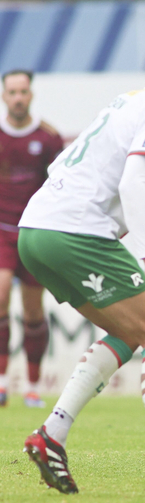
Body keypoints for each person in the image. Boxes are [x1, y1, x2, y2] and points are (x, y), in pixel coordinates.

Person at [19, 31, 145, 495]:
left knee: (133, 333)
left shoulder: (131, 99)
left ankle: (52, 434)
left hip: (35, 231)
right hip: (73, 231)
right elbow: (135, 178)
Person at [0, 70, 63, 408]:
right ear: (4, 96)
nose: (18, 97)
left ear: (31, 94)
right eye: (12, 92)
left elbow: (59, 185)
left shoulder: (49, 137)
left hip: (34, 231)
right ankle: (1, 382)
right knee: (1, 291)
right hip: (2, 231)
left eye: (23, 91)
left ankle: (33, 386)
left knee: (33, 310)